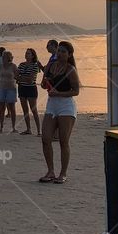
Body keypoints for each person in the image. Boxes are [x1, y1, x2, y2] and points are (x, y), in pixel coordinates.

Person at [40, 41, 79, 184]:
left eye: (64, 52)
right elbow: (44, 83)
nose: (60, 54)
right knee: (45, 138)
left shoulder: (70, 70)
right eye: (59, 51)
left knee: (63, 141)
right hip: (52, 105)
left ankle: (63, 173)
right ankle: (50, 171)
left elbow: (76, 91)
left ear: (69, 55)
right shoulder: (50, 66)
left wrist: (59, 93)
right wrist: (45, 83)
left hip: (66, 106)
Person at [17, 48, 43, 136]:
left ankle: (39, 131)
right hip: (21, 88)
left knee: (34, 110)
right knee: (25, 110)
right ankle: (28, 129)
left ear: (32, 55)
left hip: (31, 88)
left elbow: (31, 80)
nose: (26, 55)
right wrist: (23, 78)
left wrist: (22, 78)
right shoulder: (21, 64)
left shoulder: (35, 65)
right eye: (26, 53)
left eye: (28, 54)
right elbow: (16, 76)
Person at [0, 50, 19, 134]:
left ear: (9, 58)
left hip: (11, 88)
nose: (3, 58)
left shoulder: (13, 66)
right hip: (1, 88)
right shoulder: (1, 66)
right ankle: (1, 127)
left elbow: (17, 76)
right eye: (3, 57)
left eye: (5, 57)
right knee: (2, 108)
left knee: (12, 108)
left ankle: (13, 127)